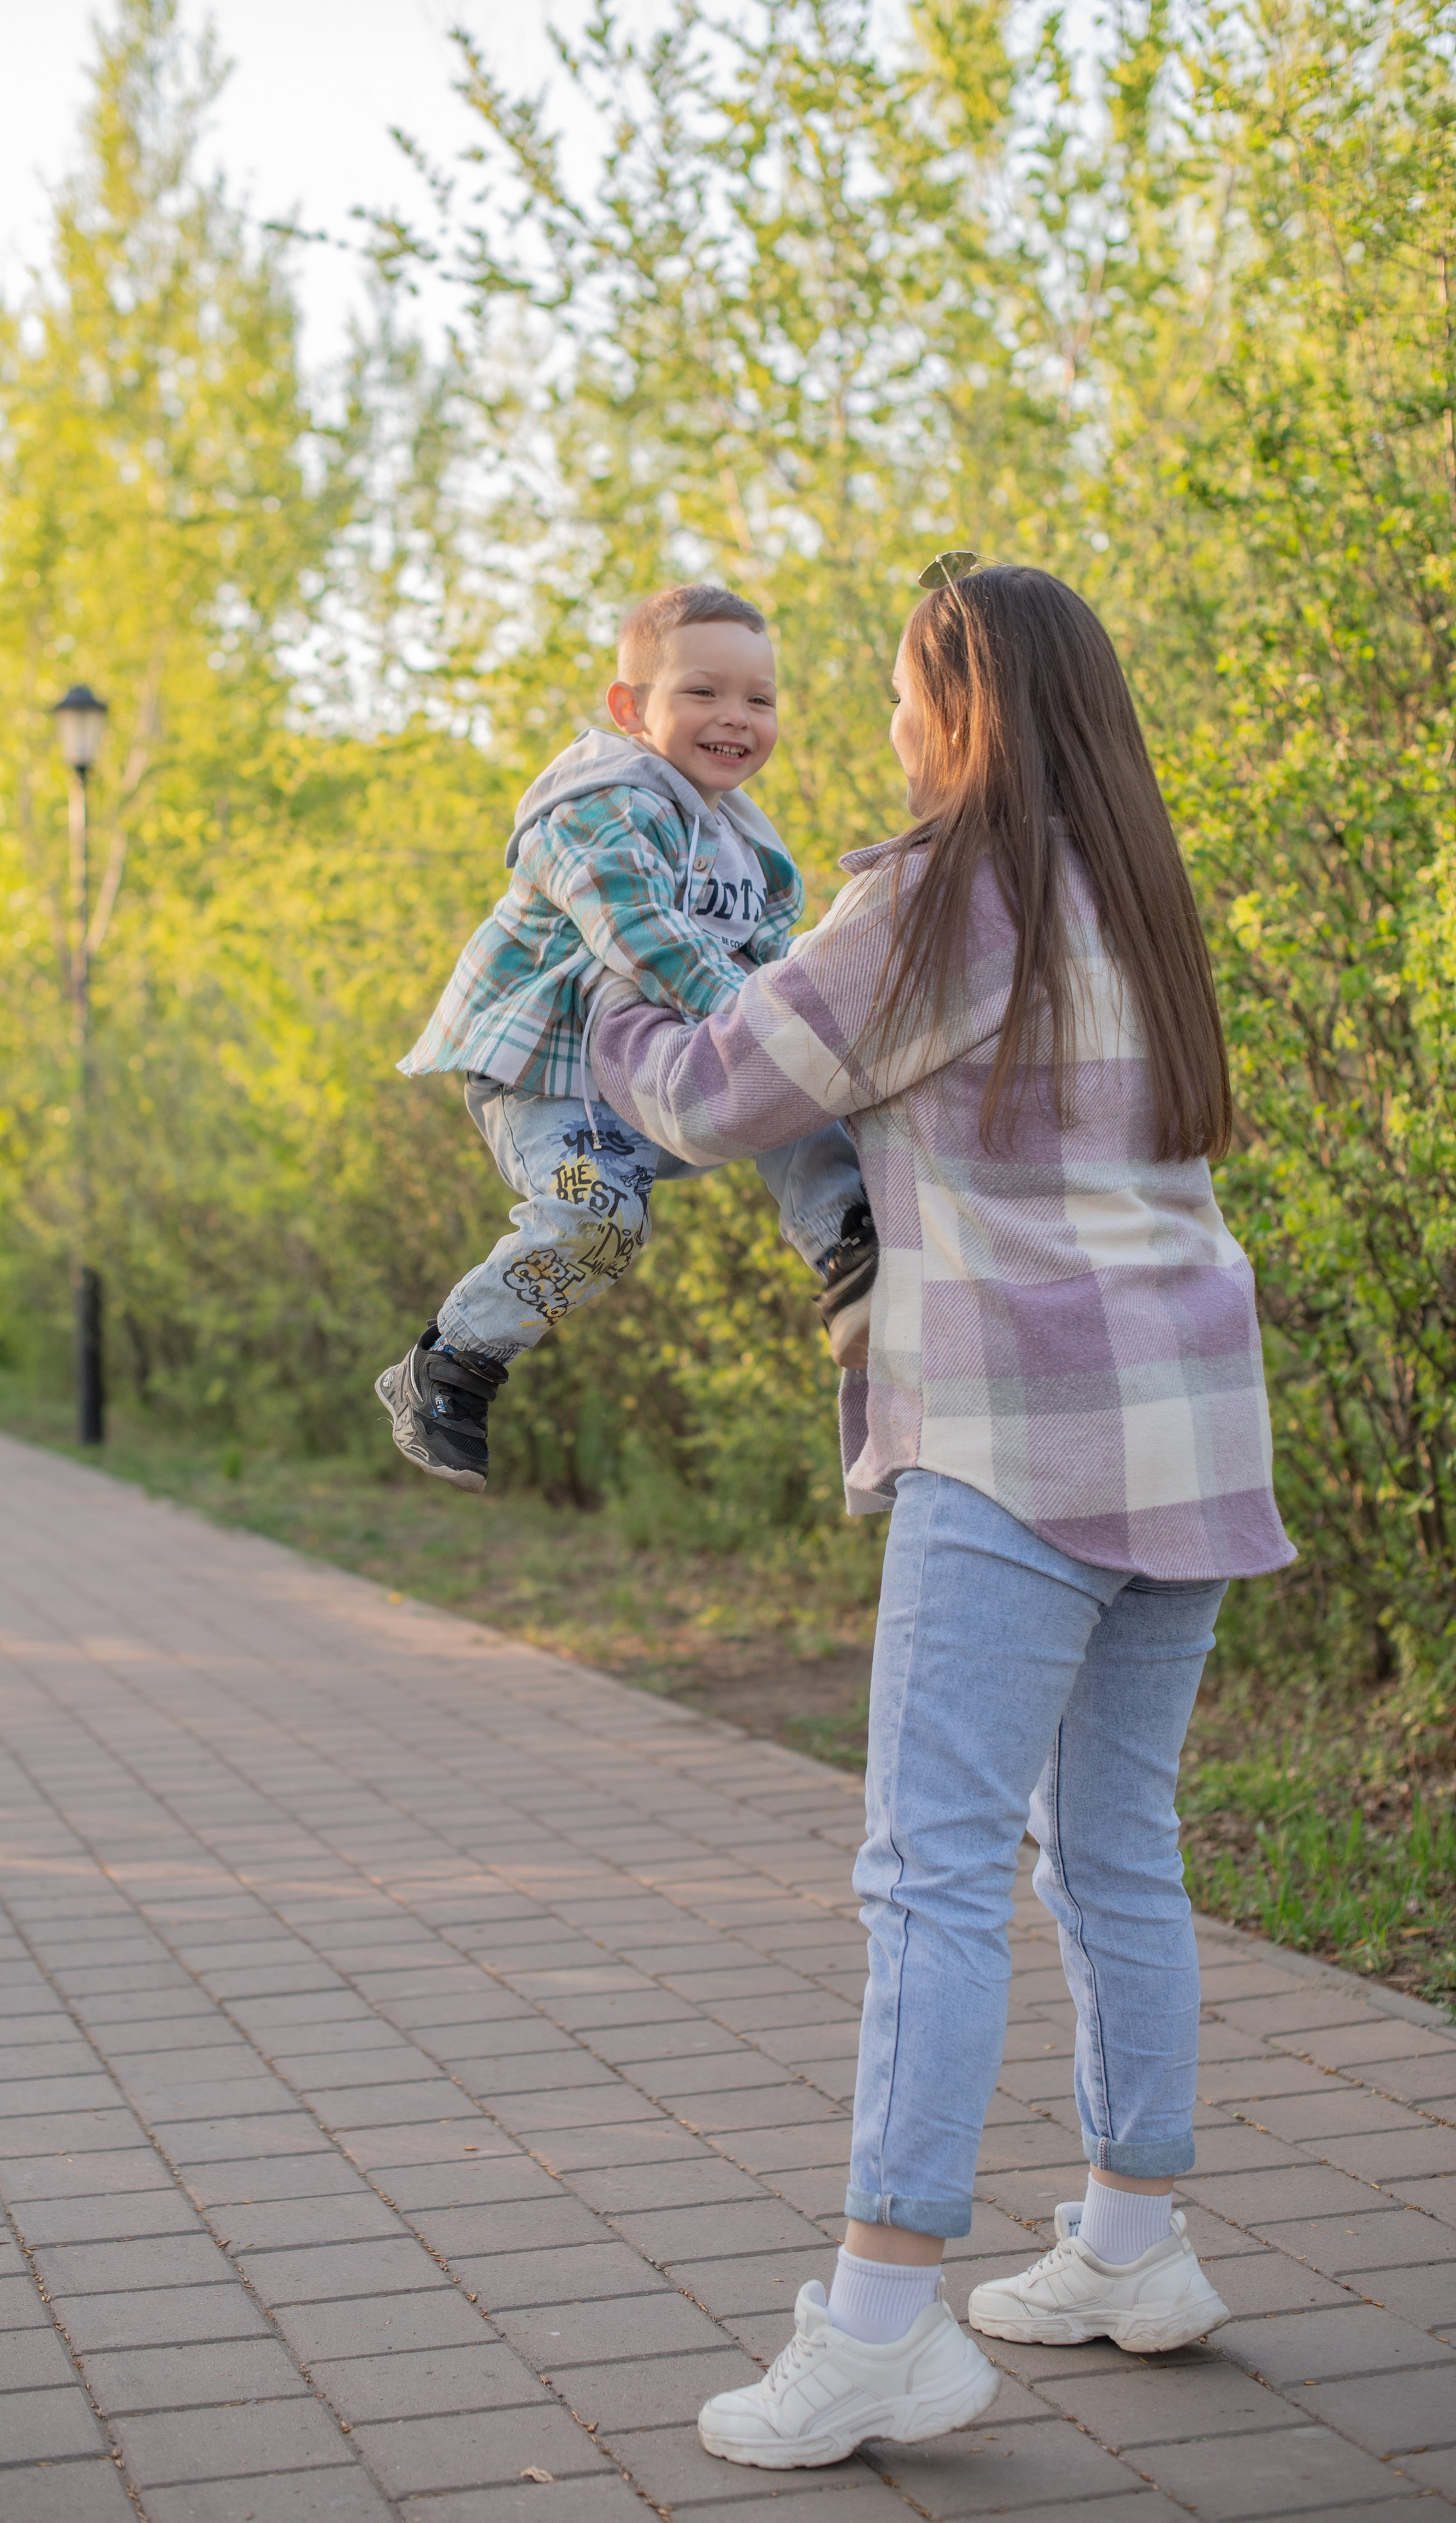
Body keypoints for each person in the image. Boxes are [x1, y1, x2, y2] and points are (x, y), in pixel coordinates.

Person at [587, 560, 1295, 2468]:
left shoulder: (935, 893)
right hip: (1188, 1427)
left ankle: (884, 2319)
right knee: (1116, 1848)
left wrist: (599, 1009)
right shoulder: (1137, 894)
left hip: (1015, 1437)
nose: (886, 729)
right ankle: (1135, 2246)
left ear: (963, 707)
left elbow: (725, 1088)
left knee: (932, 1875)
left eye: (903, 692)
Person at [378, 582, 878, 1492]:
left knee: (796, 1085)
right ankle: (453, 1359)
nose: (736, 718)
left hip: (654, 1074)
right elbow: (641, 934)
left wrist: (814, 1045)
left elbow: (770, 979)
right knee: (602, 1220)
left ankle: (852, 1249)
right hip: (551, 1082)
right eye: (703, 692)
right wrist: (763, 1033)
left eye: (759, 700)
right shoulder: (597, 805)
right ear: (630, 707)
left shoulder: (755, 854)